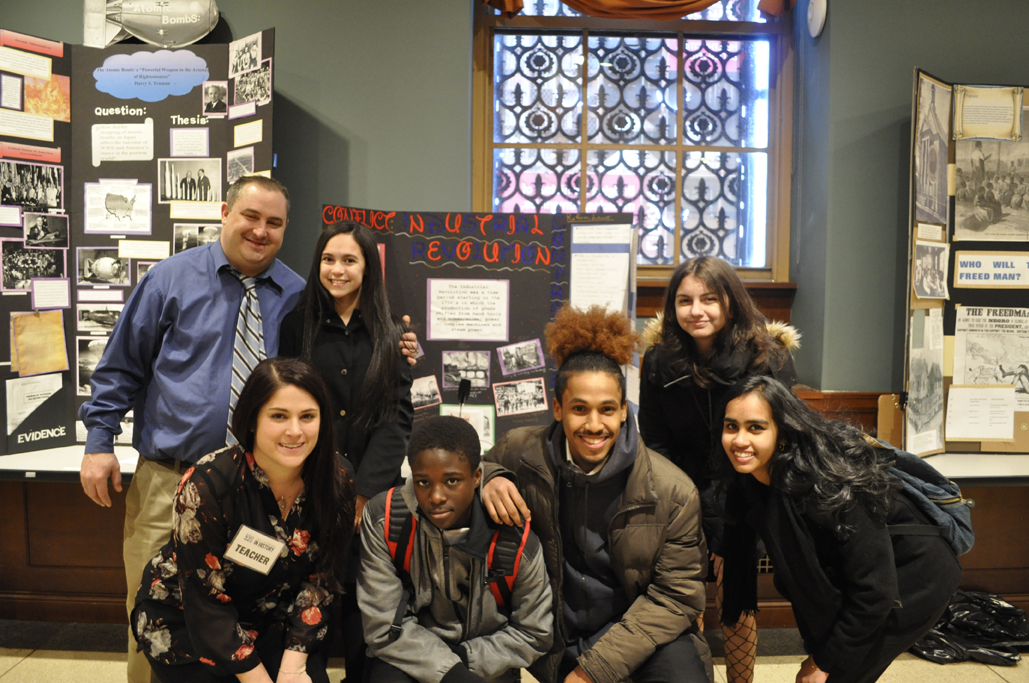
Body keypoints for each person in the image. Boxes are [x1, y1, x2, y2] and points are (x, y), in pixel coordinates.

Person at [80, 175, 305, 683]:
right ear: (225, 212)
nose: (260, 231)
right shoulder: (169, 280)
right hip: (170, 482)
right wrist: (99, 443)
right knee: (151, 613)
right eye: (251, 216)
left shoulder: (296, 295)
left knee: (242, 616)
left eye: (274, 223)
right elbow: (120, 369)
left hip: (256, 489)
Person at [482, 304, 713, 683]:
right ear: (557, 409)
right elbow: (473, 468)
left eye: (607, 409)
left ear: (624, 410)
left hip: (638, 631)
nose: (594, 425)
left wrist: (594, 670)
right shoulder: (520, 450)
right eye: (579, 409)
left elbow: (675, 597)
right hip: (551, 633)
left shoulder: (674, 490)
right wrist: (490, 476)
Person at [719, 375, 962, 683]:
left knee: (836, 674)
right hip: (860, 580)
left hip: (914, 577)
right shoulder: (752, 481)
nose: (740, 440)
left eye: (756, 427)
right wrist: (819, 655)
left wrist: (824, 661)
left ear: (782, 433)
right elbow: (806, 585)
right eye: (731, 427)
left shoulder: (828, 486)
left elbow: (875, 592)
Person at [132, 357, 354, 683]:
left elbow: (322, 581)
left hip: (273, 620)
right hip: (189, 621)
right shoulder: (206, 485)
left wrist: (294, 667)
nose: (295, 431)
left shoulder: (338, 478)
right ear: (252, 420)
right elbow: (205, 603)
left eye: (307, 416)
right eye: (279, 416)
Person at [637, 255, 799, 683]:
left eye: (709, 298)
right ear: (672, 307)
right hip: (678, 489)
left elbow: (785, 433)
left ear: (731, 301)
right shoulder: (658, 360)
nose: (697, 310)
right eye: (685, 300)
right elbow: (653, 439)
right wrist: (678, 499)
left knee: (736, 593)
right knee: (681, 593)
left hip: (748, 489)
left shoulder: (768, 356)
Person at [278, 220, 414, 682]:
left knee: (364, 609)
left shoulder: (392, 333)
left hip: (371, 502)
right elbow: (288, 408)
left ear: (367, 268)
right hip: (309, 486)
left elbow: (397, 419)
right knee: (306, 604)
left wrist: (363, 494)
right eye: (328, 259)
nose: (337, 270)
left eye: (349, 260)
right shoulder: (297, 324)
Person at [358, 416, 553, 683]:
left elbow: (534, 633)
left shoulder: (513, 537)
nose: (436, 496)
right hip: (408, 657)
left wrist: (460, 662)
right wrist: (449, 673)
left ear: (476, 477)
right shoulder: (386, 518)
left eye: (451, 481)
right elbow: (382, 627)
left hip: (488, 664)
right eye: (423, 482)